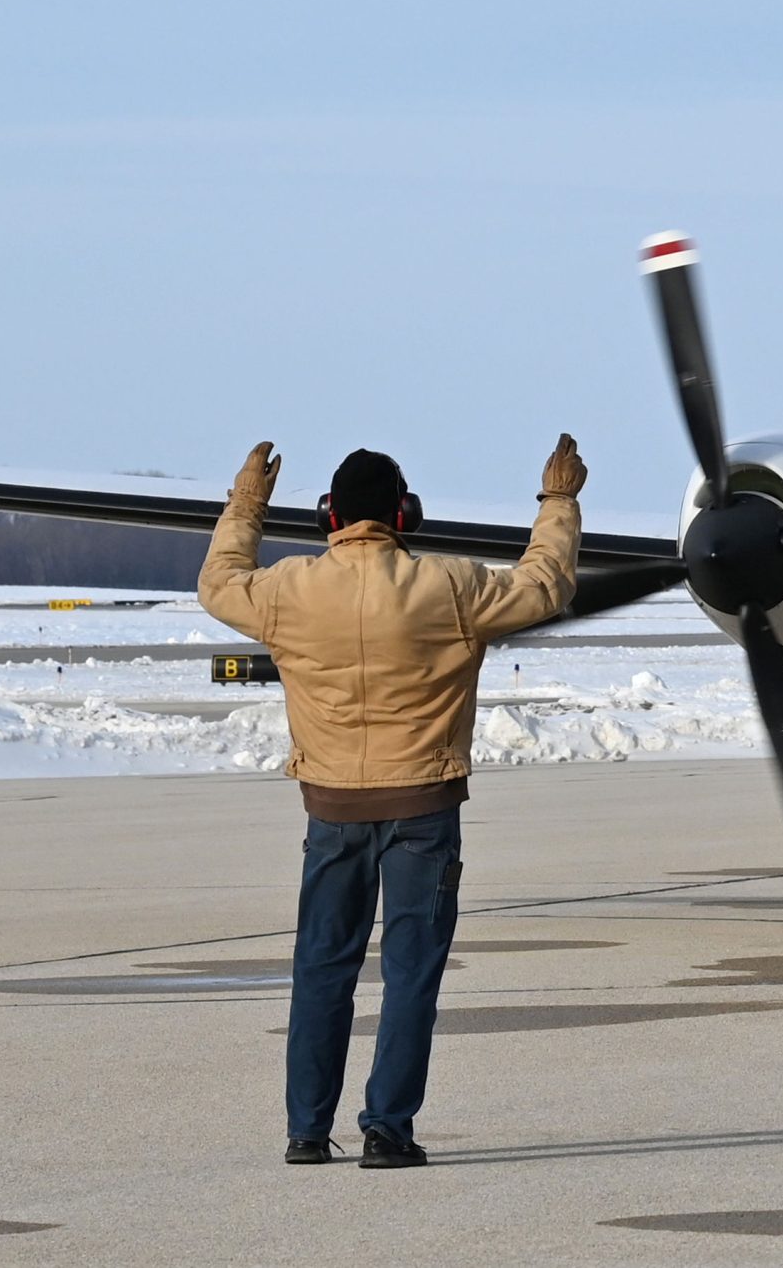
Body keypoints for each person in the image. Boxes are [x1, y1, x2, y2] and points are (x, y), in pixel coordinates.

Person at [198, 435, 586, 1169]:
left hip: (332, 809)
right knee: (410, 972)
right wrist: (557, 502)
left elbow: (219, 582)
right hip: (424, 807)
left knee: (322, 967)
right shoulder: (450, 584)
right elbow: (544, 585)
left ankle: (307, 1130)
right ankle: (387, 1128)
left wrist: (246, 503)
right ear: (404, 514)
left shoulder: (288, 589)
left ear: (329, 516)